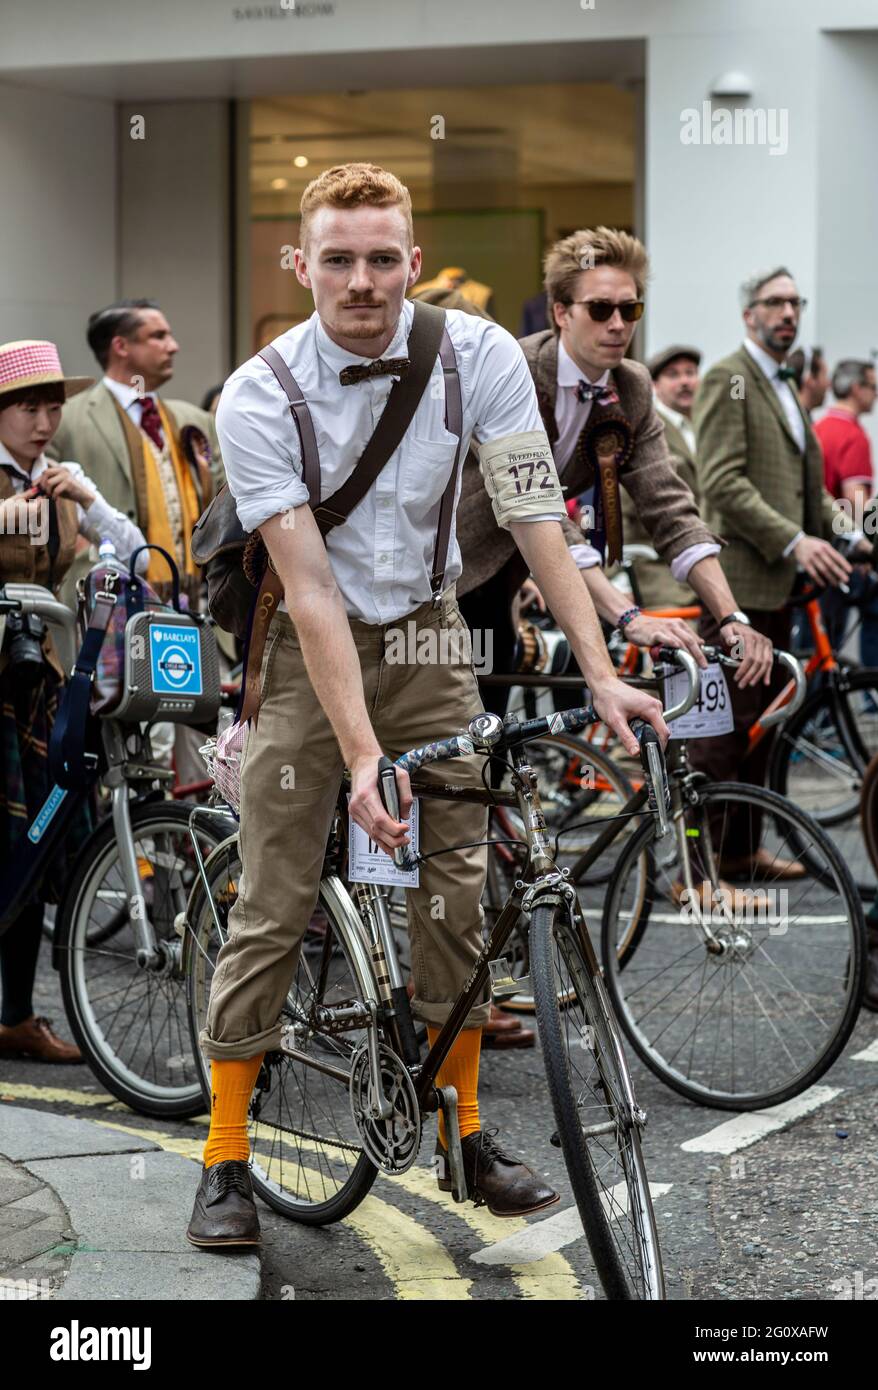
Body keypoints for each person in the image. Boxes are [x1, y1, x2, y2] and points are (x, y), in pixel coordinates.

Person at [186, 162, 667, 1248]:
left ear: (413, 258)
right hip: (312, 645)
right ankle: (223, 1152)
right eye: (339, 259)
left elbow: (534, 515)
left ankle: (463, 1128)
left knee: (454, 882)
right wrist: (361, 758)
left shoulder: (480, 353)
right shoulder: (260, 393)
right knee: (277, 885)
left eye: (383, 256)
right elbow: (306, 589)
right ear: (298, 264)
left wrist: (598, 669)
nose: (363, 280)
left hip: (432, 624)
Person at [454, 229, 773, 709]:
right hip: (449, 573)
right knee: (454, 741)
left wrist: (731, 617)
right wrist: (628, 617)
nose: (619, 324)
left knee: (496, 741)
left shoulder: (633, 386)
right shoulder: (513, 367)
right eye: (600, 309)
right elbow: (537, 505)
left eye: (631, 309)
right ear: (561, 313)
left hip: (518, 576)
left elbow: (670, 506)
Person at [690, 268, 866, 873]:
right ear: (749, 314)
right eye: (774, 303)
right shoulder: (727, 378)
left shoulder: (787, 386)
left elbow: (809, 491)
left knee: (762, 728)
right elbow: (721, 482)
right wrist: (794, 541)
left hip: (776, 590)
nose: (787, 312)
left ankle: (742, 853)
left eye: (795, 302)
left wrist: (853, 536)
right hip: (735, 585)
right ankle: (701, 869)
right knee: (719, 735)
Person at [0, 340, 147, 1063]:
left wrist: (86, 501)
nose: (43, 420)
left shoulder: (64, 477)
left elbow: (136, 549)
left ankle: (18, 1015)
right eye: (28, 406)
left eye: (53, 405)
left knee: (39, 838)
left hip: (42, 678)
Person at [49, 298, 223, 614]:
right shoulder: (64, 419)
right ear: (121, 346)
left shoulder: (196, 422)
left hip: (198, 610)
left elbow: (228, 500)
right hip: (106, 610)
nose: (174, 346)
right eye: (158, 336)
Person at [620, 344, 702, 609]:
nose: (685, 382)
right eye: (674, 375)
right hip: (656, 566)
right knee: (687, 640)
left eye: (690, 373)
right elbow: (621, 507)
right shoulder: (646, 431)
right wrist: (618, 577)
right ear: (654, 385)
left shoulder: (702, 428)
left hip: (699, 559)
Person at [815, 359, 878, 662]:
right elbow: (857, 500)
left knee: (823, 640)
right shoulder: (853, 435)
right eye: (873, 387)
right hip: (842, 551)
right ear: (857, 389)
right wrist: (870, 543)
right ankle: (868, 694)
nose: (876, 395)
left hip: (817, 549)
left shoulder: (819, 427)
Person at [787, 344, 829, 416]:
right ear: (809, 379)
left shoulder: (797, 418)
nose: (828, 384)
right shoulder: (793, 421)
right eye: (824, 376)